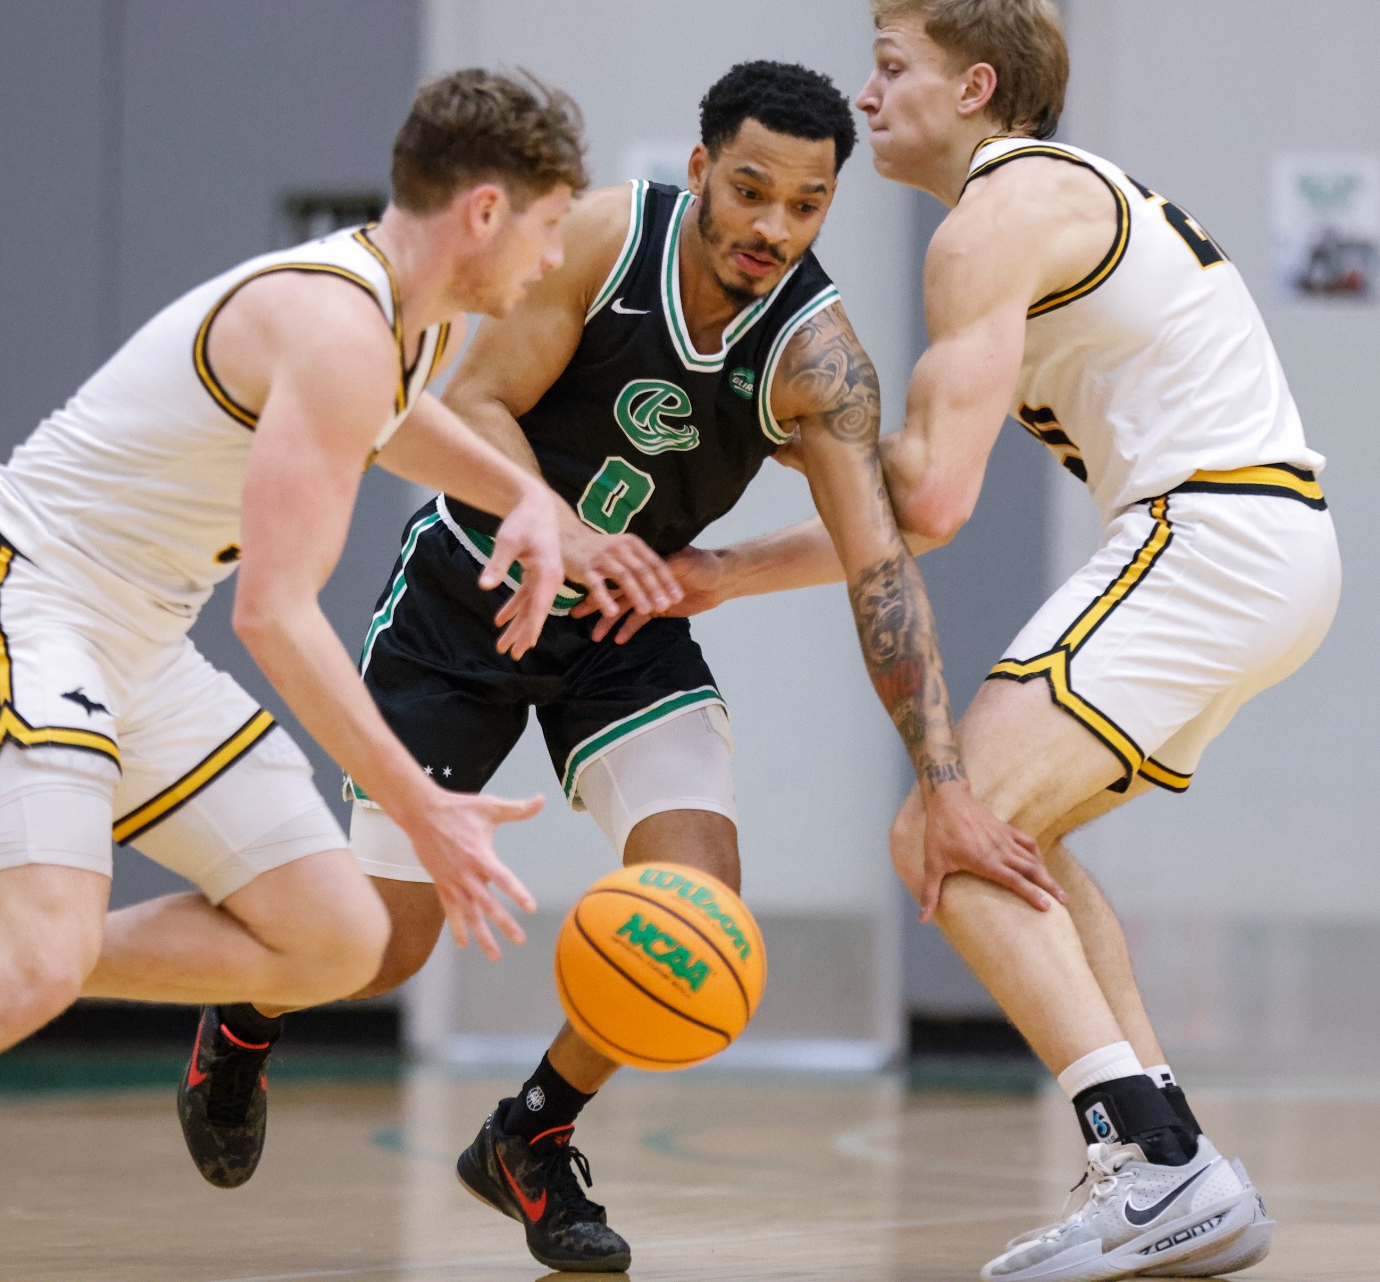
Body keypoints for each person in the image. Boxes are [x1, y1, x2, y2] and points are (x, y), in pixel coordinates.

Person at [0, 69, 676, 1282]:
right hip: (25, 600)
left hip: (132, 634)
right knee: (39, 960)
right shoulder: (337, 325)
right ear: (485, 211)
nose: (553, 256)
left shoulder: (403, 316)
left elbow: (389, 418)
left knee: (333, 938)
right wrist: (421, 806)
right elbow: (273, 617)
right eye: (548, 224)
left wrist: (527, 498)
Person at [174, 60, 1038, 1275]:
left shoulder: (818, 358)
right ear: (699, 171)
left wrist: (941, 779)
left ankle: (531, 1133)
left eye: (805, 205)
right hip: (470, 593)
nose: (772, 226)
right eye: (750, 190)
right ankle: (245, 1014)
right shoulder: (602, 238)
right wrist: (565, 529)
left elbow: (880, 567)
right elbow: (476, 401)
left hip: (622, 631)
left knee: (695, 900)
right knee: (382, 946)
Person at [656, 3, 1340, 1279]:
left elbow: (924, 497)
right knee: (1016, 840)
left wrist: (771, 424)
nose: (865, 96)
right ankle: (1171, 1158)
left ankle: (1154, 1169)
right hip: (1258, 547)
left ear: (973, 87)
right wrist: (733, 566)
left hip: (1208, 535)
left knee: (943, 830)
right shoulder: (1049, 199)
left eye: (890, 66)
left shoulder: (995, 215)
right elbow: (915, 508)